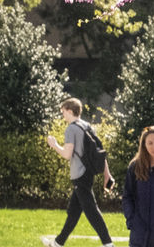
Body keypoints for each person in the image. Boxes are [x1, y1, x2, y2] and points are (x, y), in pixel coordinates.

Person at [44, 98, 115, 247]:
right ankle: (58, 243)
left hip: (79, 174)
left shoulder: (71, 128)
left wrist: (54, 144)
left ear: (70, 111)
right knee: (74, 211)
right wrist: (106, 174)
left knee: (91, 210)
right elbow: (100, 153)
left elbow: (66, 154)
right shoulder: (87, 126)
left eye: (63, 112)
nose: (63, 116)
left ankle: (108, 244)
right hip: (88, 174)